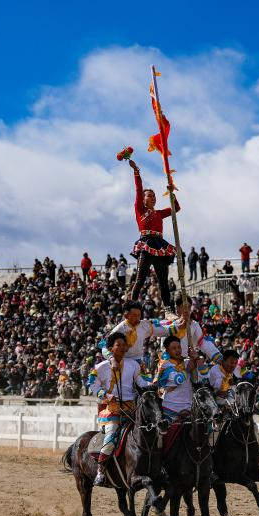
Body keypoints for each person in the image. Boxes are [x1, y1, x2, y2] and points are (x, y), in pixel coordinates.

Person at [87, 332, 149, 486]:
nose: (122, 347)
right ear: (111, 348)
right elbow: (92, 384)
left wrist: (150, 386)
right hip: (111, 410)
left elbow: (140, 381)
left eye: (124, 345)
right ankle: (101, 471)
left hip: (132, 409)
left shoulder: (133, 365)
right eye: (118, 345)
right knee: (111, 436)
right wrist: (105, 395)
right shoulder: (101, 367)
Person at [127, 158, 179, 312]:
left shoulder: (159, 213)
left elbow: (176, 208)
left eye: (154, 195)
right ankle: (130, 307)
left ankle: (169, 310)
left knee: (163, 281)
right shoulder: (140, 209)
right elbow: (138, 189)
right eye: (150, 195)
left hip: (159, 245)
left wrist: (172, 193)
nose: (153, 197)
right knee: (140, 278)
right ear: (143, 199)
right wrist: (136, 171)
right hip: (146, 243)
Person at [108, 301, 171, 366]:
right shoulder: (118, 330)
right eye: (134, 315)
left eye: (139, 315)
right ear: (126, 315)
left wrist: (176, 326)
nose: (138, 318)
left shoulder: (144, 325)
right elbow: (105, 347)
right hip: (123, 363)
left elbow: (163, 330)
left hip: (138, 362)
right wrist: (112, 359)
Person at [157, 335, 199, 424]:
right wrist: (187, 370)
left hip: (188, 408)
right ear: (167, 351)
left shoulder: (187, 362)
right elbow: (178, 380)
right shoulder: (165, 365)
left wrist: (196, 358)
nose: (178, 350)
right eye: (174, 348)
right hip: (170, 409)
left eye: (179, 347)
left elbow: (203, 376)